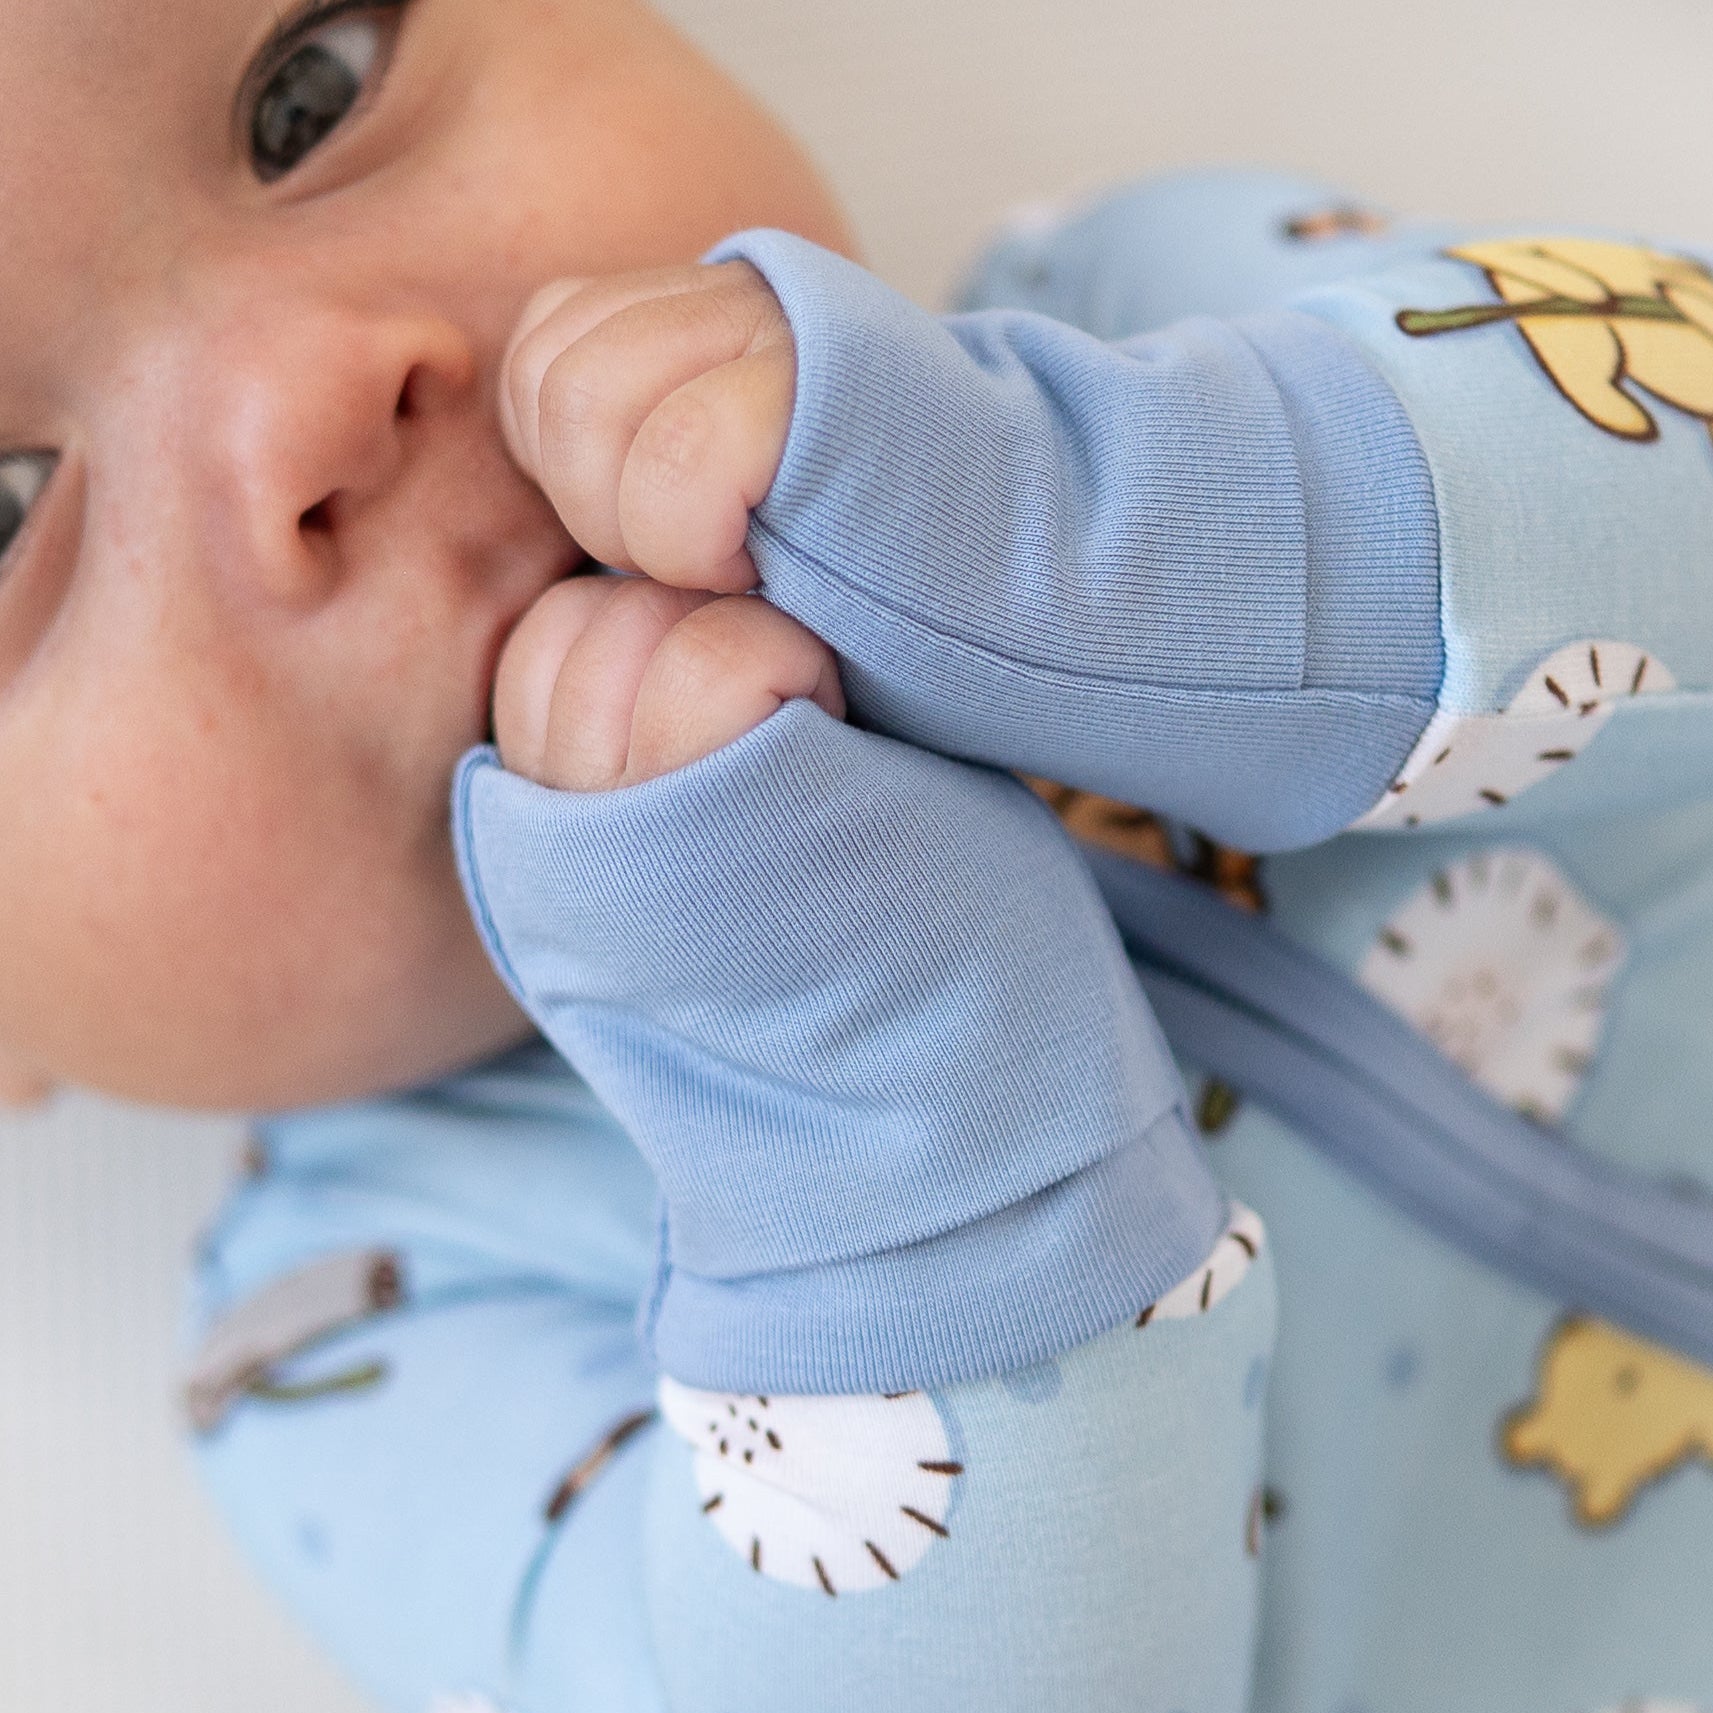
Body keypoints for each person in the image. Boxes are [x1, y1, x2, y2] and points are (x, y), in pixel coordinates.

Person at [0, 0, 1707, 1708]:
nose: (322, 386)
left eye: (308, 92)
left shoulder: (1145, 331)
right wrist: (868, 1068)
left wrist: (1097, 529)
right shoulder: (366, 1346)